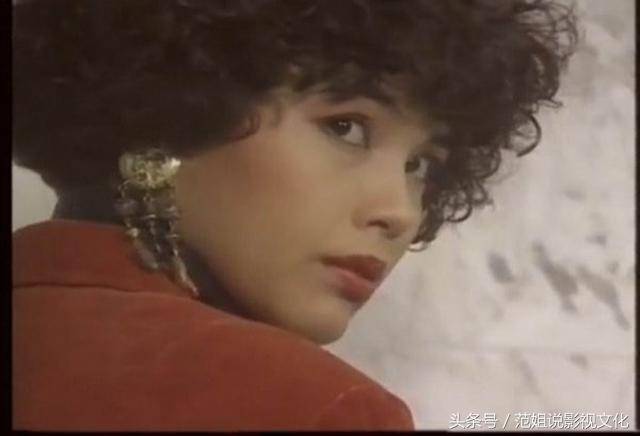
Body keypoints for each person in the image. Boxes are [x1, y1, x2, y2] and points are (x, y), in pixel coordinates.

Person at [12, 0, 578, 431]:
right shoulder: (314, 407)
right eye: (346, 128)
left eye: (421, 165)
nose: (400, 213)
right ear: (168, 102)